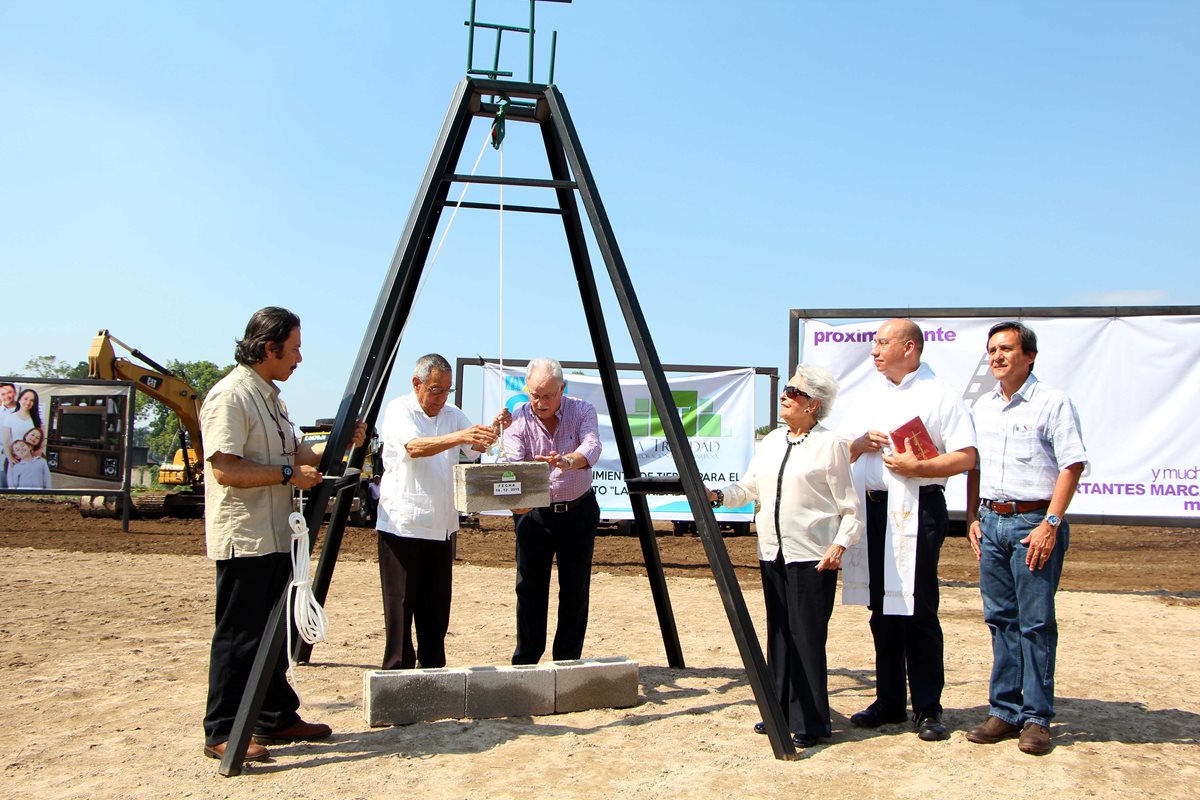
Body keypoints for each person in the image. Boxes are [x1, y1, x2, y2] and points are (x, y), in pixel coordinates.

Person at [199, 307, 366, 764]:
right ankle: (223, 729)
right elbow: (225, 468)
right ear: (269, 349)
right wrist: (287, 475)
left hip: (275, 533)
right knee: (240, 633)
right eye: (293, 349)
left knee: (272, 627)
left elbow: (294, 451)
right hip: (247, 536)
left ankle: (273, 715)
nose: (299, 358)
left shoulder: (270, 398)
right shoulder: (230, 397)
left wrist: (338, 443)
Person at [709, 364, 863, 748]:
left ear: (813, 404)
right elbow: (749, 486)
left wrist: (839, 545)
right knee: (777, 632)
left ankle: (811, 720)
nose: (785, 396)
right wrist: (718, 496)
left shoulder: (831, 445)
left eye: (793, 392)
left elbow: (850, 508)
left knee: (807, 636)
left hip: (812, 555)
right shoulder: (773, 440)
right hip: (772, 551)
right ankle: (778, 711)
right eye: (787, 390)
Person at [840, 318, 977, 742]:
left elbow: (967, 456)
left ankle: (928, 707)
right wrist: (859, 444)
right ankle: (889, 701)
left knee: (917, 608)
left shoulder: (940, 394)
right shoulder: (868, 394)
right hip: (873, 510)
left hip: (919, 510)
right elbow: (842, 449)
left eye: (883, 343)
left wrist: (919, 468)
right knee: (881, 610)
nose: (874, 351)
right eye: (874, 343)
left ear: (910, 348)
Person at [964, 321, 1086, 756]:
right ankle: (1005, 710)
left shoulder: (1054, 403)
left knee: (1035, 622)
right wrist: (972, 516)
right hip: (991, 522)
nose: (997, 357)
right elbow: (973, 464)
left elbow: (1072, 465)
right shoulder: (981, 407)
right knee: (1000, 619)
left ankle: (1036, 717)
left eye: (1007, 349)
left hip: (1033, 523)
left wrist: (1050, 524)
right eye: (992, 350)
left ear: (1029, 356)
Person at [375, 353, 509, 670]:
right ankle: (397, 671)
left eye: (446, 390)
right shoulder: (399, 409)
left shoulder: (453, 414)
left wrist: (494, 429)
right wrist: (461, 436)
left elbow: (477, 448)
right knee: (401, 606)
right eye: (435, 389)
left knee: (436, 609)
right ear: (417, 383)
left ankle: (433, 671)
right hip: (403, 525)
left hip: (443, 526)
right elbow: (414, 447)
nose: (440, 398)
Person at [503, 358, 602, 664]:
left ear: (563, 388)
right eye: (534, 395)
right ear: (526, 389)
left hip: (578, 511)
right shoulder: (516, 419)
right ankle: (527, 661)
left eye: (548, 395)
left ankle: (567, 662)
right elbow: (512, 463)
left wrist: (570, 461)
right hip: (534, 517)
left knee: (575, 590)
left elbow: (592, 445)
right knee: (529, 589)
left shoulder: (582, 410)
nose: (540, 402)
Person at [3, 388, 45, 471]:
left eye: (32, 400)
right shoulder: (10, 417)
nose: (28, 402)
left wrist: (33, 460)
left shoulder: (38, 420)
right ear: (19, 399)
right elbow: (6, 441)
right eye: (25, 399)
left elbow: (42, 442)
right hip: (14, 459)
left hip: (31, 461)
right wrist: (11, 458)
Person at [0, 382, 18, 489]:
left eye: (9, 392)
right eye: (3, 394)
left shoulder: (23, 411)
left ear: (15, 393)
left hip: (18, 456)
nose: (7, 396)